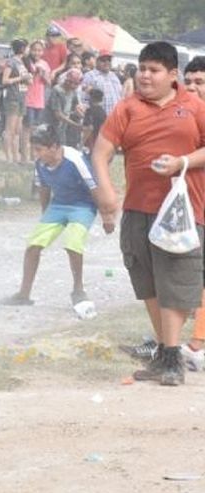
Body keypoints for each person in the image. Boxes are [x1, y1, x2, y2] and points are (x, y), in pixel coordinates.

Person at [91, 41, 205, 386]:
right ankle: (166, 353)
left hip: (182, 211)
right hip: (138, 208)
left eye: (153, 70)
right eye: (141, 69)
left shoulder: (193, 105)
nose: (144, 75)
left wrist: (182, 162)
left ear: (172, 76)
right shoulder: (127, 108)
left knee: (175, 279)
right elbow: (100, 151)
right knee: (148, 283)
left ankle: (171, 357)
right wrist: (107, 191)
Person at [2, 126, 103, 307]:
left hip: (82, 205)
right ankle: (24, 293)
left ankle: (78, 289)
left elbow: (94, 187)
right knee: (33, 245)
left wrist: (107, 215)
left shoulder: (75, 159)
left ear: (54, 147)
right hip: (58, 205)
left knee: (73, 243)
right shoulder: (40, 164)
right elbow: (44, 188)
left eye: (39, 150)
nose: (36, 154)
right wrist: (45, 213)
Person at [176, 56, 205, 370]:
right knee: (187, 275)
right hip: (192, 209)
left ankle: (197, 344)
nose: (194, 87)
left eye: (201, 82)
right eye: (191, 81)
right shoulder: (184, 117)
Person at [1, 39, 31, 164]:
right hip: (12, 97)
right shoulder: (11, 62)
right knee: (10, 129)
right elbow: (5, 80)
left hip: (21, 97)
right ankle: (8, 157)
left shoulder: (22, 63)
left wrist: (28, 80)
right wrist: (20, 78)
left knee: (18, 129)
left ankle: (16, 157)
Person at [24, 40, 52, 160]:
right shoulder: (26, 62)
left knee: (36, 129)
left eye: (39, 50)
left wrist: (43, 74)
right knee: (28, 127)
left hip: (39, 100)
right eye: (34, 50)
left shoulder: (45, 64)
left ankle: (34, 155)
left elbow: (49, 83)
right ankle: (26, 154)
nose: (37, 52)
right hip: (27, 99)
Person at [47, 68, 83, 147]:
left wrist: (83, 116)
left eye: (77, 84)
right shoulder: (57, 90)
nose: (74, 86)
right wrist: (75, 125)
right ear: (67, 80)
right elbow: (58, 114)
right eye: (72, 83)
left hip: (63, 126)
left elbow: (76, 107)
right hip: (52, 124)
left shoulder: (73, 91)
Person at [81, 88, 106, 153]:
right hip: (101, 143)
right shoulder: (103, 112)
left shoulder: (89, 111)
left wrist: (81, 143)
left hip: (91, 144)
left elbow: (89, 128)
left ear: (91, 98)